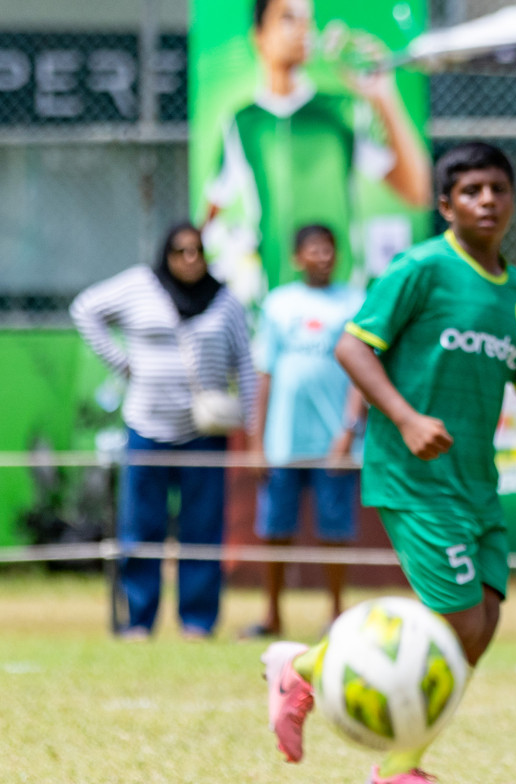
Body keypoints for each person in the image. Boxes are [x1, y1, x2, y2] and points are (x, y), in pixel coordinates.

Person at [260, 142, 516, 784]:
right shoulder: (420, 268)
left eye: (498, 188)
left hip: (475, 482)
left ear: (512, 199)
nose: (486, 200)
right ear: (445, 204)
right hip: (414, 476)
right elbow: (351, 345)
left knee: (479, 627)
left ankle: (399, 767)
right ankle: (304, 668)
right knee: (456, 619)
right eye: (471, 190)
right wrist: (404, 417)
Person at [71, 223, 256, 640]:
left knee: (202, 530)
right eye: (180, 251)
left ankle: (197, 621)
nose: (189, 260)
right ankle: (138, 619)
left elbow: (244, 363)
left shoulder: (224, 301)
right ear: (166, 255)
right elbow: (85, 310)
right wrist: (122, 364)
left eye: (197, 251)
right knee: (140, 528)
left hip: (204, 434)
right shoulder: (140, 285)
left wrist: (251, 426)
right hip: (147, 428)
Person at [203, 0, 431, 302]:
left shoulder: (341, 109)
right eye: (288, 18)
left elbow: (418, 191)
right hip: (271, 294)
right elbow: (214, 208)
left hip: (343, 289)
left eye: (307, 20)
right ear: (259, 35)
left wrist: (383, 97)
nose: (302, 30)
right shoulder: (244, 121)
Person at [247, 224, 368, 638]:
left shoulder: (355, 301)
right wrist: (255, 440)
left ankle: (336, 613)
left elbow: (362, 372)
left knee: (335, 529)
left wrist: (349, 428)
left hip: (333, 441)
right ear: (297, 257)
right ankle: (273, 615)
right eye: (313, 249)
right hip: (283, 440)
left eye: (329, 249)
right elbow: (264, 373)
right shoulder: (279, 304)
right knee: (276, 528)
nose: (322, 256)